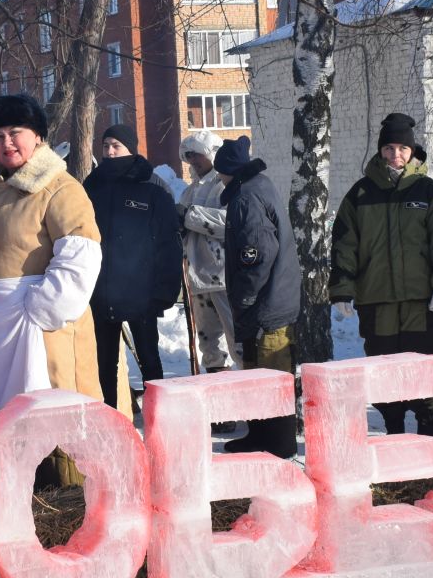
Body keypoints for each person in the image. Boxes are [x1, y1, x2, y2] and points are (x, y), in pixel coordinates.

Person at [0, 94, 101, 486]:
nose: (6, 143)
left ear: (38, 136)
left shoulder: (58, 188)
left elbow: (81, 254)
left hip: (42, 329)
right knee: (12, 425)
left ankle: (69, 503)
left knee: (56, 420)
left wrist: (42, 308)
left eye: (16, 133)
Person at [330, 113, 433, 436]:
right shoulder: (361, 194)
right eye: (389, 148)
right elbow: (344, 244)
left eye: (403, 148)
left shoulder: (428, 191)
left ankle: (427, 431)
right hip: (376, 301)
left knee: (422, 366)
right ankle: (394, 431)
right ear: (380, 150)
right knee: (383, 368)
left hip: (422, 301)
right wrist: (342, 289)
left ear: (412, 151)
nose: (396, 155)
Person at [83, 124, 181, 410]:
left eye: (116, 146)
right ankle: (110, 420)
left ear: (131, 149)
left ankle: (160, 417)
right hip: (101, 291)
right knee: (104, 364)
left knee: (149, 359)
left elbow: (169, 243)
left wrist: (164, 290)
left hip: (141, 292)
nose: (110, 152)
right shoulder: (92, 184)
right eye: (105, 146)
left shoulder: (151, 185)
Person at [216, 136, 300, 458]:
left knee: (271, 373)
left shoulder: (246, 198)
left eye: (220, 172)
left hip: (267, 303)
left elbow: (256, 254)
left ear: (228, 171)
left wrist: (247, 297)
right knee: (256, 370)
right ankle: (258, 436)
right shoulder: (258, 186)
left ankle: (279, 444)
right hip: (273, 298)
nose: (219, 178)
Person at [178, 129, 235, 371]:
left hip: (223, 277)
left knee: (237, 340)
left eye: (197, 154)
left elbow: (229, 222)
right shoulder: (191, 189)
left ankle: (250, 383)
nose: (192, 160)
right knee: (209, 346)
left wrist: (189, 216)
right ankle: (216, 382)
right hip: (198, 277)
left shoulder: (225, 184)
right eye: (189, 155)